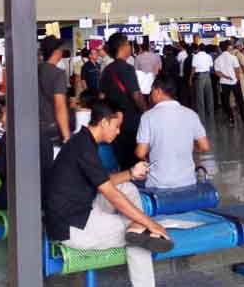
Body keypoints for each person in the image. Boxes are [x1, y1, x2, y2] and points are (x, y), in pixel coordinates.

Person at [44, 101, 173, 287]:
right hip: (72, 226)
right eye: (116, 126)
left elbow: (104, 182)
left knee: (128, 187)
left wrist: (130, 173)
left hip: (79, 209)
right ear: (104, 123)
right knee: (141, 238)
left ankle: (135, 227)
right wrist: (151, 224)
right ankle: (138, 233)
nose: (118, 131)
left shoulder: (83, 140)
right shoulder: (85, 148)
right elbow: (111, 195)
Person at [136, 77, 211, 189]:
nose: (150, 96)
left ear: (158, 91)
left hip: (158, 184)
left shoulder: (147, 117)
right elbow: (205, 147)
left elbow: (140, 153)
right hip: (188, 181)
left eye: (152, 91)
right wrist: (187, 147)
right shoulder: (191, 114)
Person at [99, 34, 147, 170]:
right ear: (122, 46)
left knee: (119, 156)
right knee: (133, 158)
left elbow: (101, 97)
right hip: (130, 120)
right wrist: (146, 111)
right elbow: (136, 95)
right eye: (128, 44)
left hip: (113, 122)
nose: (130, 47)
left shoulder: (107, 70)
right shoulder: (127, 69)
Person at [38, 35, 71, 170]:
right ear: (56, 52)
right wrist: (67, 136)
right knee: (53, 166)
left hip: (34, 126)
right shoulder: (58, 74)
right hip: (51, 128)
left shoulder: (35, 70)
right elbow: (60, 106)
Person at [214, 41, 244, 125]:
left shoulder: (217, 59)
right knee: (239, 100)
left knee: (226, 101)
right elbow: (237, 70)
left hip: (224, 83)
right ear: (228, 47)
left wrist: (226, 77)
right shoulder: (233, 57)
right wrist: (237, 79)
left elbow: (217, 72)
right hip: (234, 82)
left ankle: (231, 118)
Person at [191, 42, 215, 120]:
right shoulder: (208, 56)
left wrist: (190, 78)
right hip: (208, 76)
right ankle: (211, 113)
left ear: (198, 49)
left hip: (200, 77)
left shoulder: (195, 56)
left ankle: (202, 115)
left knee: (200, 96)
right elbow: (211, 66)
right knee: (209, 95)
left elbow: (193, 68)